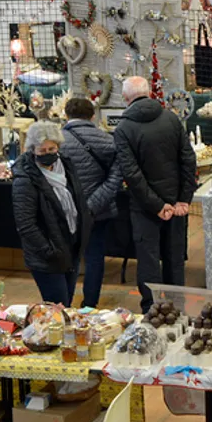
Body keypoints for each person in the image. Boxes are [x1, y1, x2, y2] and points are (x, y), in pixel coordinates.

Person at [114, 77, 198, 313]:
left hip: (145, 208)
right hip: (176, 204)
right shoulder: (171, 119)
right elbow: (188, 160)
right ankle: (177, 310)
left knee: (149, 260)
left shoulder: (123, 129)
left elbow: (132, 174)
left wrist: (155, 205)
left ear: (126, 98)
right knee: (174, 259)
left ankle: (152, 311)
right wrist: (183, 199)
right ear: (149, 93)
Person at [12, 121, 92, 305]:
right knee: (57, 308)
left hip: (70, 249)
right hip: (48, 258)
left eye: (52, 149)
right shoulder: (25, 179)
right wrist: (49, 251)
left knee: (66, 305)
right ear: (32, 150)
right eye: (42, 151)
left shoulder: (66, 166)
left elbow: (78, 199)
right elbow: (25, 224)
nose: (48, 154)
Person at [60, 98, 123, 308]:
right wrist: (93, 204)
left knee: (68, 257)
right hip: (100, 211)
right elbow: (116, 178)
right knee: (95, 257)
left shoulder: (57, 141)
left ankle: (63, 304)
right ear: (93, 116)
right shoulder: (107, 140)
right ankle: (89, 305)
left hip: (66, 211)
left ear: (66, 114)